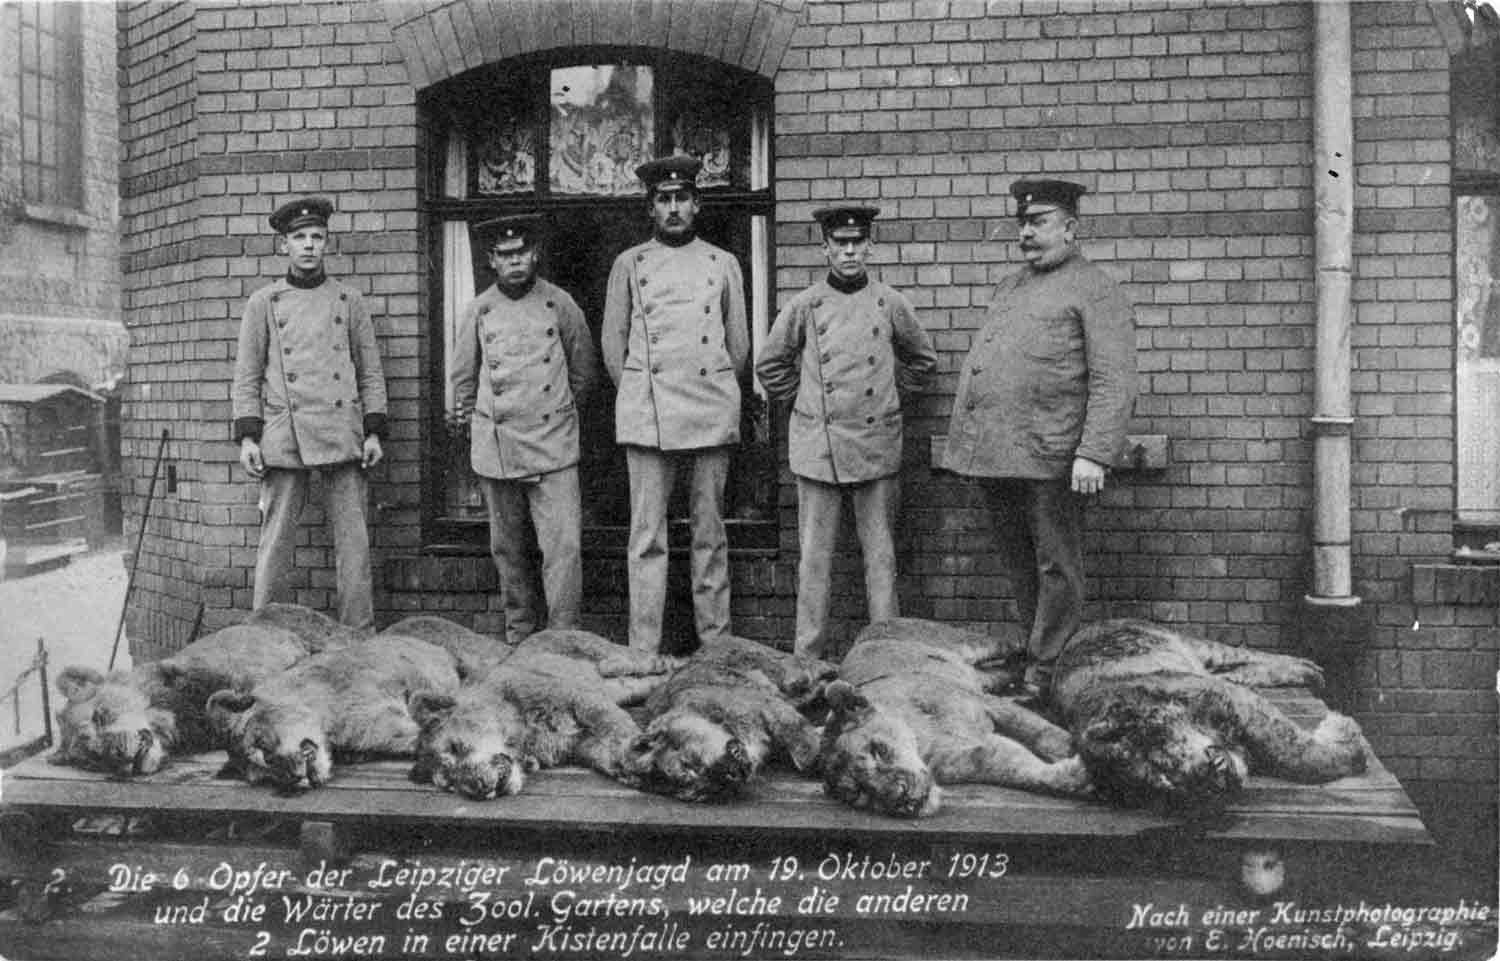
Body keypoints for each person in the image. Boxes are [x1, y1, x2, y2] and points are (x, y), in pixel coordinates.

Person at [941, 178, 1138, 697]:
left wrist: (1094, 453)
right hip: (1000, 455)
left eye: (1039, 221)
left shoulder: (1095, 287)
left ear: (1071, 227)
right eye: (1022, 223)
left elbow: (1114, 378)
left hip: (1054, 457)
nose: (1026, 233)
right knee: (1018, 561)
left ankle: (1048, 670)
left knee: (1056, 566)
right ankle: (1033, 655)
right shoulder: (1011, 287)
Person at [756, 205, 937, 658]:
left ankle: (886, 657)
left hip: (876, 446)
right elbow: (770, 364)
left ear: (870, 247)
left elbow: (922, 361)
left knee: (881, 560)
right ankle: (806, 659)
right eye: (841, 243)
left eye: (858, 243)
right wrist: (808, 402)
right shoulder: (804, 305)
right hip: (821, 450)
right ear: (826, 248)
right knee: (814, 564)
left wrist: (888, 397)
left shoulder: (890, 302)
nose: (850, 251)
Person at [601, 155, 750, 652]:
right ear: (651, 209)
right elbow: (612, 344)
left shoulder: (722, 263)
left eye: (681, 198)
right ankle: (644, 650)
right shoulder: (629, 264)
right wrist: (640, 393)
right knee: (647, 539)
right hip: (651, 414)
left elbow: (739, 346)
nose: (673, 208)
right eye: (663, 200)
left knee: (710, 534)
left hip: (709, 409)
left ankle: (717, 645)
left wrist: (717, 393)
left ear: (697, 203)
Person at [232, 196, 388, 629]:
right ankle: (264, 634)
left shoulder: (348, 301)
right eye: (299, 238)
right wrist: (248, 436)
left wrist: (374, 430)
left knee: (354, 545)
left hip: (342, 430)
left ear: (326, 243)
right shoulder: (264, 303)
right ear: (285, 245)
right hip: (284, 433)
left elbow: (370, 370)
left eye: (316, 237)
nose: (308, 245)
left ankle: (359, 635)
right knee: (275, 542)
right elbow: (246, 375)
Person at [448, 215, 598, 643]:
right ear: (492, 260)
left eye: (522, 253)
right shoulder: (478, 311)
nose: (515, 261)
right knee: (509, 551)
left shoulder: (561, 304)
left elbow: (583, 372)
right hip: (499, 447)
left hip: (554, 445)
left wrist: (559, 414)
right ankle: (519, 636)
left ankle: (564, 640)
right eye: (505, 254)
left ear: (535, 255)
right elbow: (462, 379)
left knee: (563, 550)